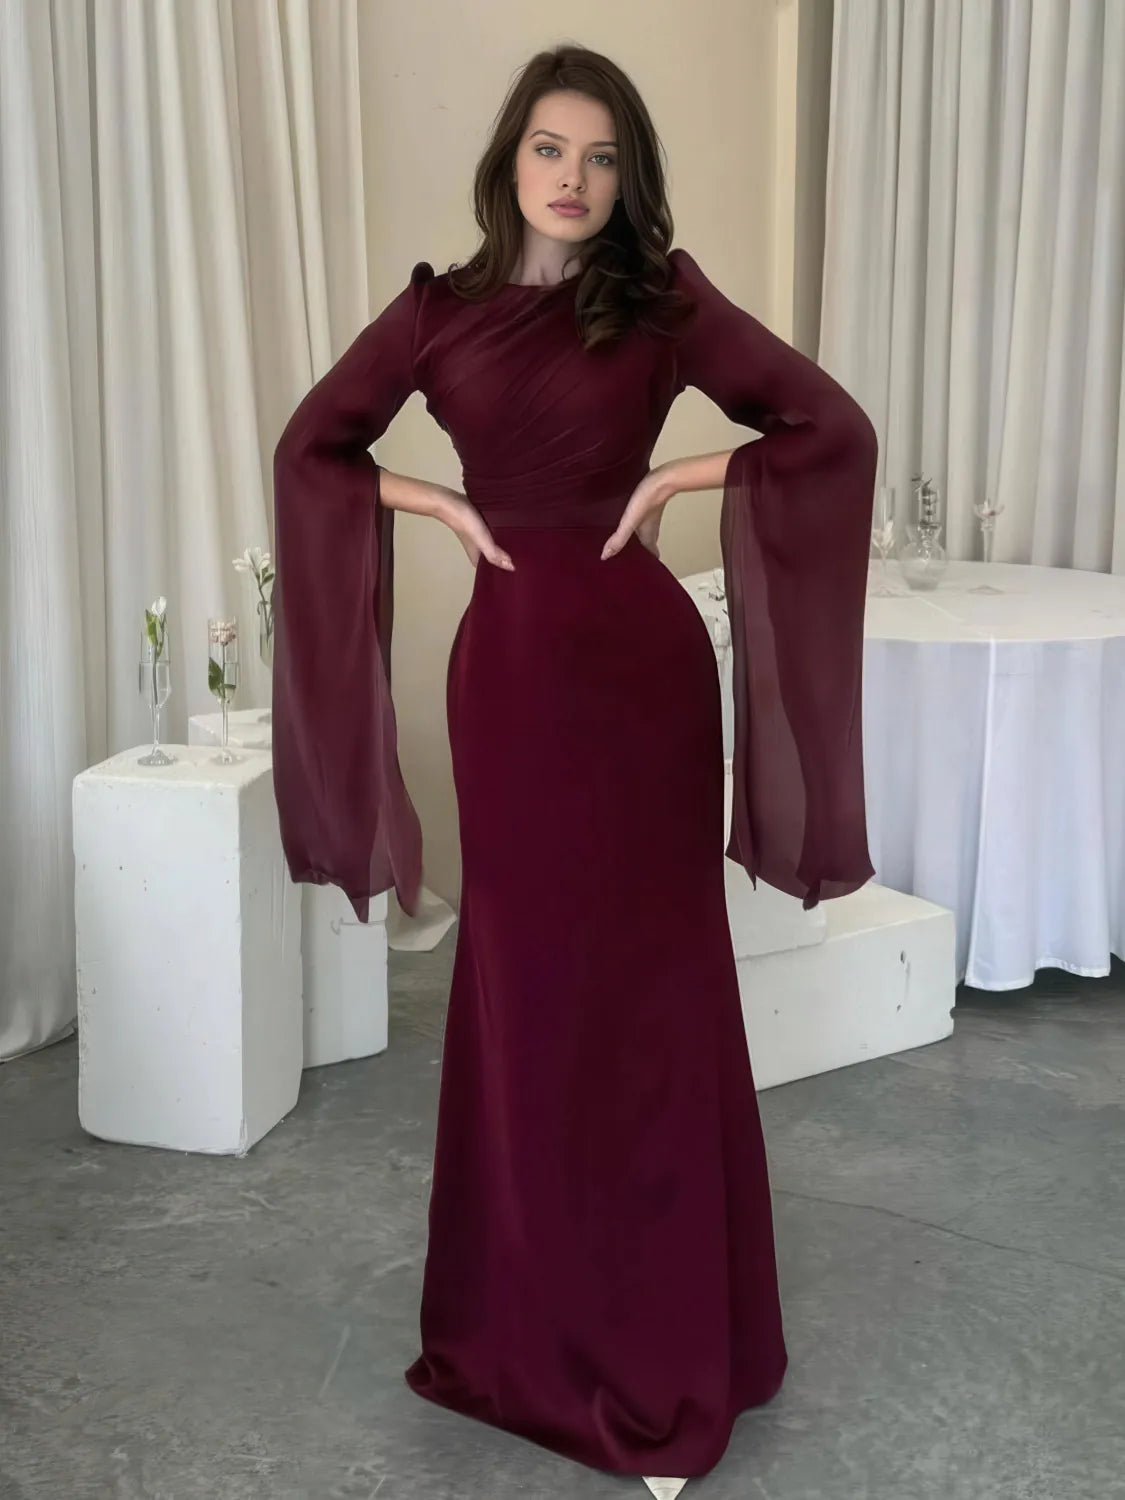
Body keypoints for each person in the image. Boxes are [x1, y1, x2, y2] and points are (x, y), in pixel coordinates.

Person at [271, 44, 877, 1498]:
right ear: (509, 160)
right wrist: (425, 497)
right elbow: (313, 446)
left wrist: (681, 476)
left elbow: (826, 428)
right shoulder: (438, 313)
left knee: (650, 995)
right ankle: (519, 1336)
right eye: (552, 148)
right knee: (526, 992)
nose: (575, 177)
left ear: (625, 176)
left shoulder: (662, 296)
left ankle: (668, 1352)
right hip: (513, 683)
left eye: (602, 157)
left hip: (639, 679)